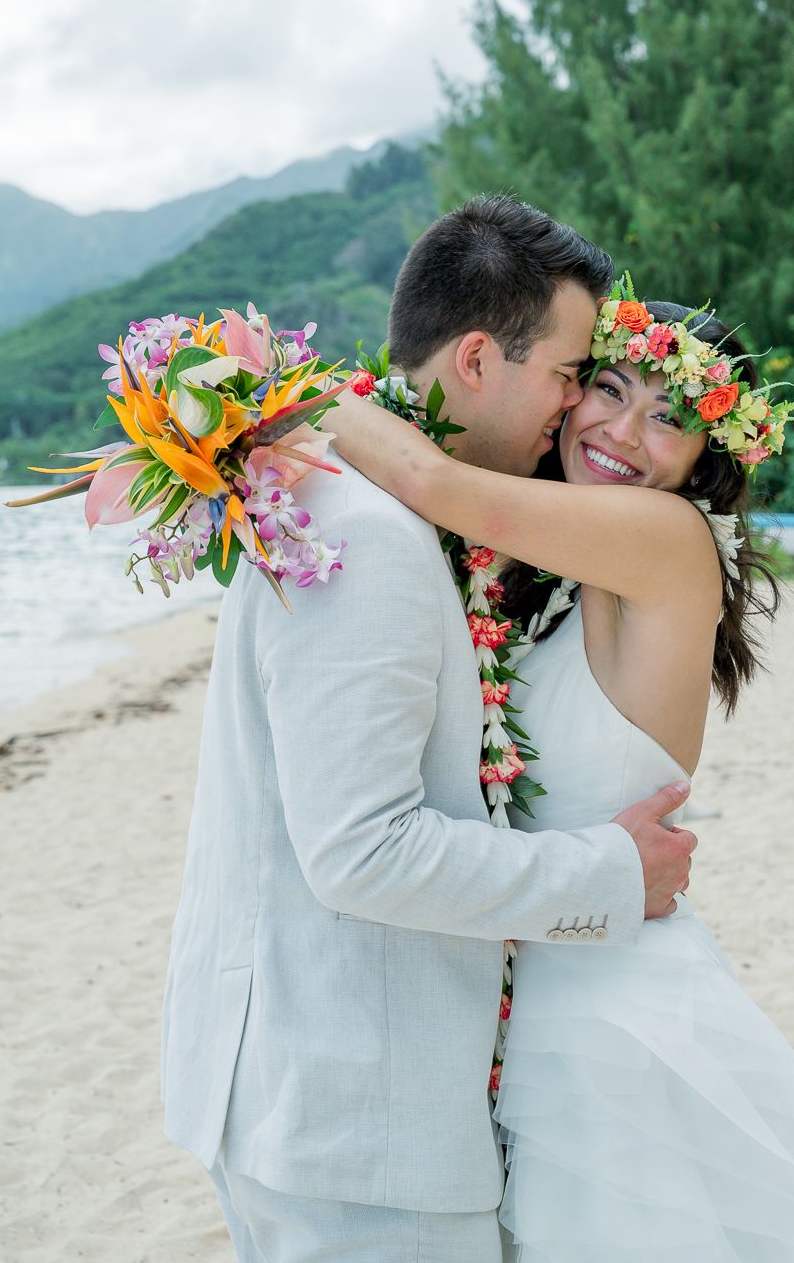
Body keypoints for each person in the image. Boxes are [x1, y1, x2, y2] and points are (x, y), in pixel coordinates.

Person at [321, 278, 794, 1261]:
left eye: (671, 417)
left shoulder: (665, 537)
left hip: (609, 1029)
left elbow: (434, 483)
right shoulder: (559, 576)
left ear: (705, 458)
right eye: (610, 388)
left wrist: (265, 394)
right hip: (535, 994)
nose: (627, 432)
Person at [160, 198, 697, 1263]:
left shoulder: (337, 496)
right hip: (356, 1128)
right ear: (475, 359)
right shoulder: (371, 534)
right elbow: (361, 850)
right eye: (569, 372)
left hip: (325, 1099)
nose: (578, 405)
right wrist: (607, 875)